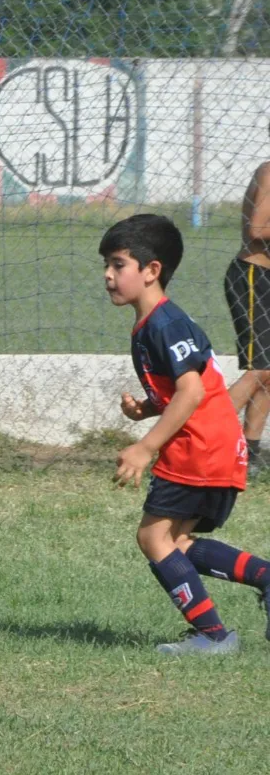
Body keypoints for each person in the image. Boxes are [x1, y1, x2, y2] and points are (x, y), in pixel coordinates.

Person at [103, 213, 270, 656]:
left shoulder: (165, 324)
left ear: (151, 270)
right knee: (175, 543)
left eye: (119, 264)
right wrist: (147, 408)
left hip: (199, 448)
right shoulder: (157, 322)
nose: (108, 275)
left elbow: (192, 391)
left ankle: (213, 636)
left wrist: (145, 447)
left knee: (152, 538)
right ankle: (266, 577)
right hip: (219, 446)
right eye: (106, 264)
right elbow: (189, 387)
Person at [223, 151, 270, 477]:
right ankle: (196, 438)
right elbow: (257, 228)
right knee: (259, 370)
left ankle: (249, 456)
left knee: (269, 373)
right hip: (253, 277)